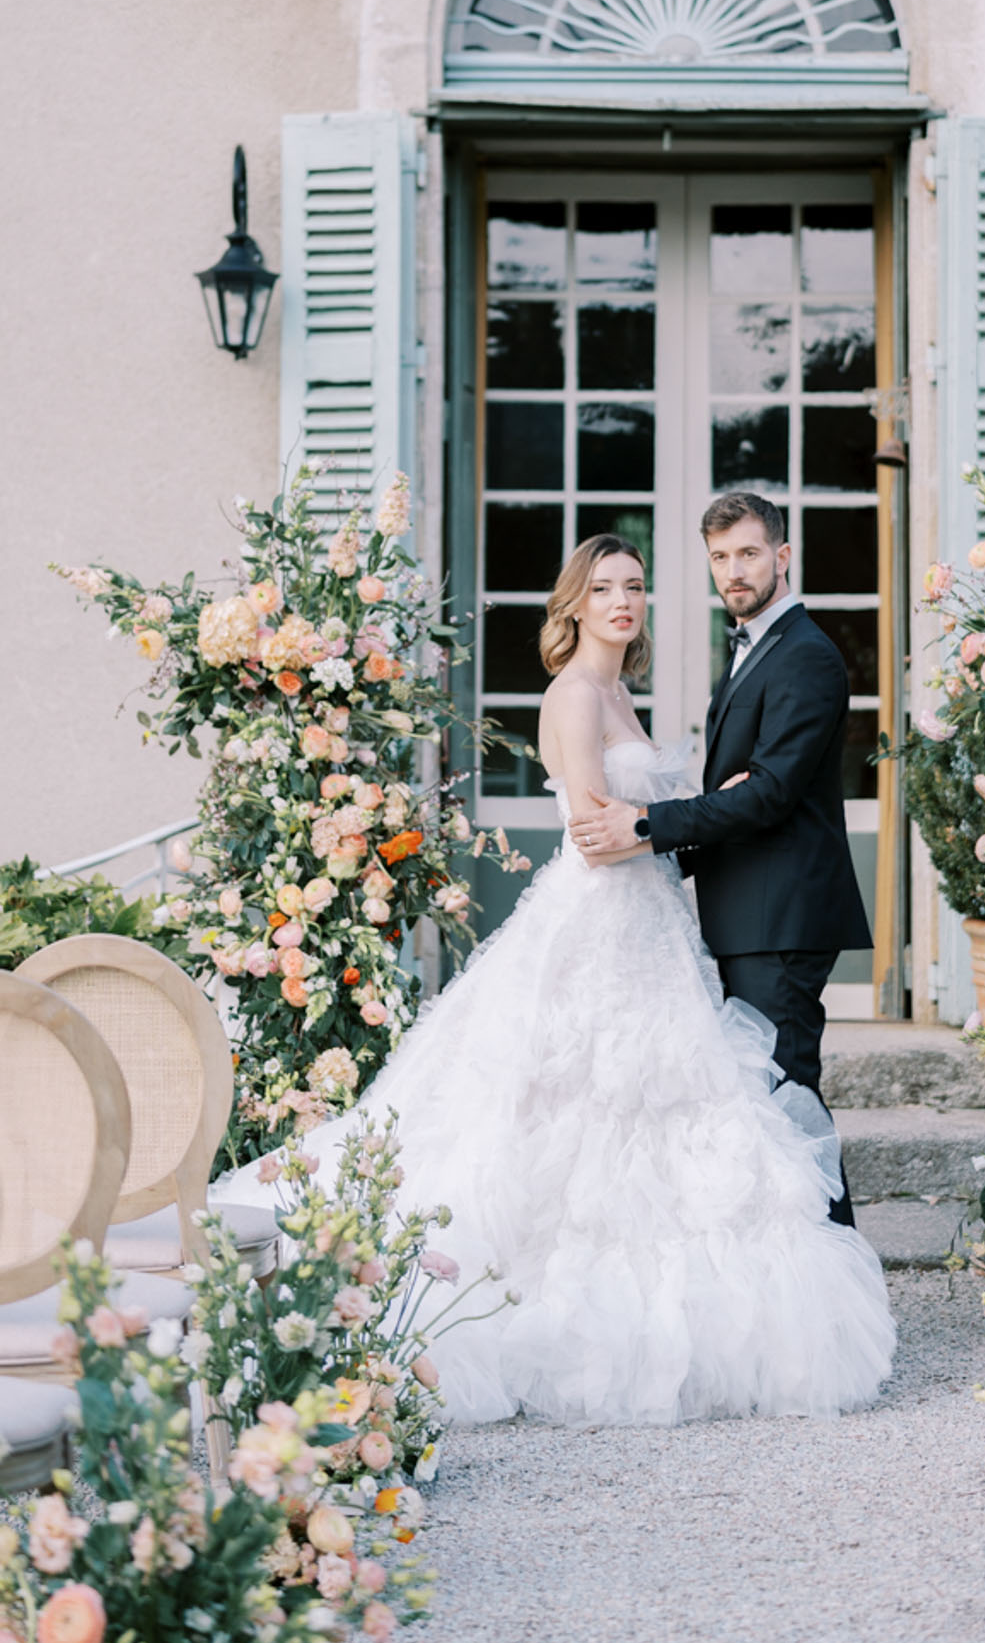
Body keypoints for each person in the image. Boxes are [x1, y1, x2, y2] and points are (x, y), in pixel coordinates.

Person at [220, 529, 895, 1429]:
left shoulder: (620, 691)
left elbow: (649, 818)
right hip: (602, 925)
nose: (623, 601)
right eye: (606, 587)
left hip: (653, 922)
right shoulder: (574, 695)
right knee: (570, 1105)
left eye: (636, 586)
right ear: (574, 602)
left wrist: (667, 817)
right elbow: (592, 826)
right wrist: (668, 816)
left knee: (680, 1113)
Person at [568, 492, 870, 1228]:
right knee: (763, 1097)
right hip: (748, 911)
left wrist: (646, 824)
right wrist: (670, 851)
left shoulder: (804, 655)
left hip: (783, 917)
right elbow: (737, 794)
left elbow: (767, 796)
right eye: (719, 558)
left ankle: (834, 1277)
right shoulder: (753, 649)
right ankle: (801, 1270)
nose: (733, 571)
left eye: (747, 553)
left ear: (782, 556)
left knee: (786, 1095)